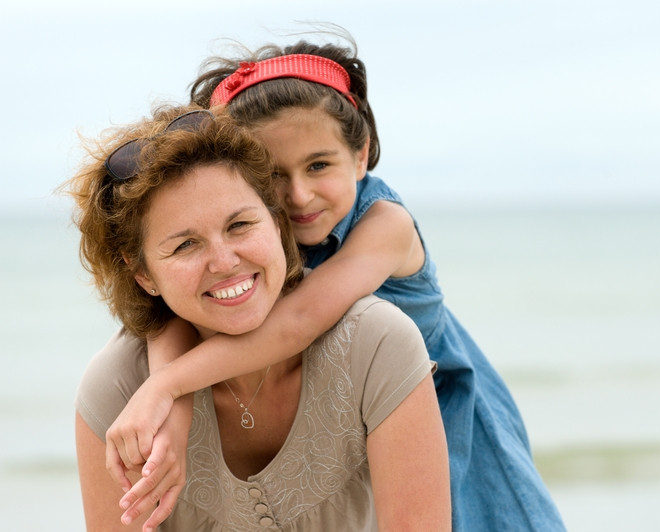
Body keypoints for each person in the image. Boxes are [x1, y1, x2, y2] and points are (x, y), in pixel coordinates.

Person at [105, 31, 566, 531]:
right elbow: (171, 317)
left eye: (319, 165)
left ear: (362, 153)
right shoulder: (256, 241)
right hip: (354, 429)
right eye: (276, 176)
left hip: (444, 412)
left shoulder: (386, 225)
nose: (299, 196)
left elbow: (298, 321)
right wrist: (166, 405)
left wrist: (168, 385)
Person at [68, 105, 450, 531]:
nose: (225, 261)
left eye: (240, 225)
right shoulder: (118, 387)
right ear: (142, 274)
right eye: (185, 245)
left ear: (276, 221)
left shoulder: (376, 345)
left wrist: (169, 385)